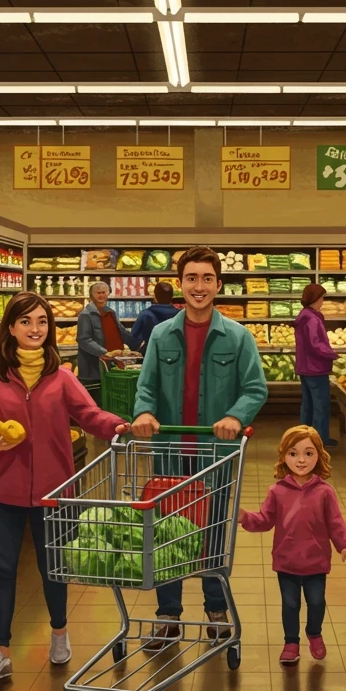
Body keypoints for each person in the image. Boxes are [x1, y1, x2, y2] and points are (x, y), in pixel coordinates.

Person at [0, 291, 127, 681]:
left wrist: (116, 425)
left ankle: (59, 632)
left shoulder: (62, 377)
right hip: (2, 490)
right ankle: (0, 651)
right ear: (11, 329)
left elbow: (89, 414)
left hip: (56, 490)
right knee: (3, 569)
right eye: (25, 322)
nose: (35, 329)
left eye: (41, 321)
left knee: (54, 567)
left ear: (50, 328)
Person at [131, 245, 268, 642]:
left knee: (212, 532)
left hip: (216, 454)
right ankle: (168, 613)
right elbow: (147, 387)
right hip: (170, 452)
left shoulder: (238, 337)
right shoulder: (161, 334)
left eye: (207, 278)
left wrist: (234, 416)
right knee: (167, 532)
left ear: (218, 284)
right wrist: (143, 413)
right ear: (180, 284)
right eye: (191, 278)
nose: (199, 286)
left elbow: (255, 388)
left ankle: (215, 607)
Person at [239, 425, 346, 666]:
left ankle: (314, 633)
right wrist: (244, 517)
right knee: (290, 604)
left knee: (316, 602)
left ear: (319, 456)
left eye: (308, 453)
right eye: (293, 453)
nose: (301, 460)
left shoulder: (325, 492)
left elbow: (335, 523)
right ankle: (291, 642)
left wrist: (344, 546)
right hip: (286, 561)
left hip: (316, 561)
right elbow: (264, 520)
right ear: (283, 456)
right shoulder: (277, 491)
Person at [75, 280, 136, 403]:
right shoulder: (85, 315)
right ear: (91, 295)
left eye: (104, 292)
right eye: (98, 293)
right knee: (96, 401)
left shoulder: (110, 312)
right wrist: (104, 352)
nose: (101, 296)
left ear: (108, 294)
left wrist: (138, 345)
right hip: (93, 369)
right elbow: (83, 339)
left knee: (110, 400)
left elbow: (121, 332)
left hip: (112, 364)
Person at [295, 282, 337, 446]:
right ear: (315, 299)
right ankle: (320, 440)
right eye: (322, 298)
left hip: (305, 368)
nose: (323, 302)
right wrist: (332, 354)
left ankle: (304, 437)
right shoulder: (312, 319)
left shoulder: (304, 315)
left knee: (308, 405)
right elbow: (315, 344)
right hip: (316, 368)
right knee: (320, 405)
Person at [128, 280, 179, 353]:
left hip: (151, 353)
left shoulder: (145, 314)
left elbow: (133, 338)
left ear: (155, 296)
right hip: (175, 354)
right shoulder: (181, 315)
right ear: (172, 297)